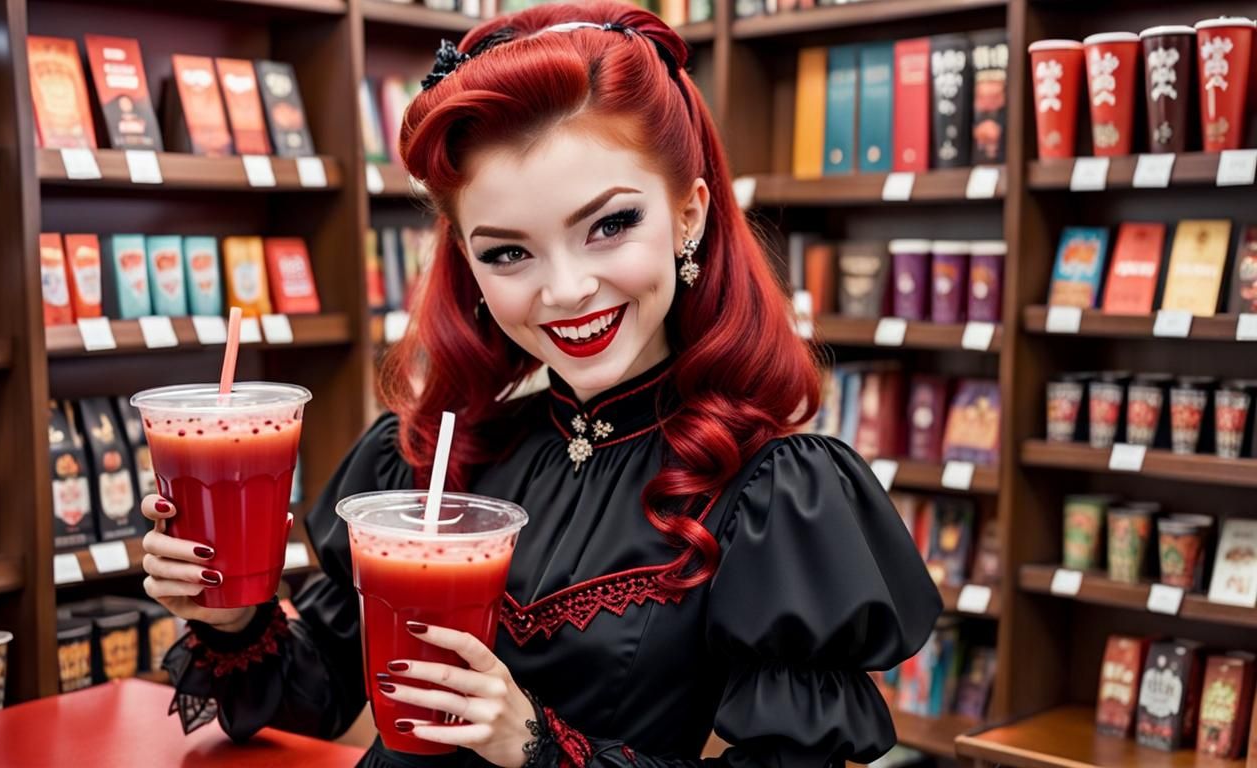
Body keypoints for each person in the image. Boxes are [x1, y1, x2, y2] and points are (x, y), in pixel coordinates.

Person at [141, 2, 942, 765]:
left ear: (689, 213)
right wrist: (233, 618)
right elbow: (313, 702)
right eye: (507, 252)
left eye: (610, 225)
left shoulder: (774, 497)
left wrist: (534, 746)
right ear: (468, 264)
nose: (565, 291)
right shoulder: (431, 459)